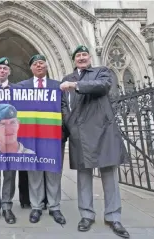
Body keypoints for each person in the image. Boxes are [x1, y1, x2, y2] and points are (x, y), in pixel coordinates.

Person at [60, 45, 130, 238]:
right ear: (73, 59)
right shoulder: (67, 79)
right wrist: (69, 123)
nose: (81, 58)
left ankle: (113, 217)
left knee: (109, 175)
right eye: (78, 55)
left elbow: (102, 87)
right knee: (83, 176)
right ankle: (86, 215)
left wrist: (76, 86)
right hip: (79, 133)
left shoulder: (101, 72)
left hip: (103, 131)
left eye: (84, 55)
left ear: (89, 57)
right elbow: (64, 105)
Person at [16, 54, 66, 225]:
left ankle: (54, 206)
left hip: (52, 136)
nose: (38, 66)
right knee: (34, 172)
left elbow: (64, 109)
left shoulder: (57, 86)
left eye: (41, 63)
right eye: (35, 64)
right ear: (31, 68)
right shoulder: (22, 87)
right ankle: (36, 206)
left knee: (53, 172)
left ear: (46, 66)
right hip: (31, 136)